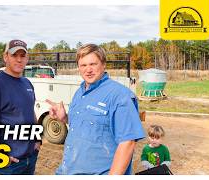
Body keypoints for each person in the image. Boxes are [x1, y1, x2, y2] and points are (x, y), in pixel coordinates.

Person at [46, 43, 145, 175]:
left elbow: (128, 143)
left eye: (93, 64)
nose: (88, 70)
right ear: (78, 68)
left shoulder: (120, 96)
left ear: (103, 64)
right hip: (67, 171)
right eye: (83, 65)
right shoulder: (80, 92)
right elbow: (90, 126)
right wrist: (65, 118)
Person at [0, 39, 41, 175]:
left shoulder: (27, 83)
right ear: (6, 57)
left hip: (29, 160)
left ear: (27, 58)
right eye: (14, 55)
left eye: (23, 56)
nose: (19, 60)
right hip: (7, 165)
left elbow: (30, 112)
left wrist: (37, 139)